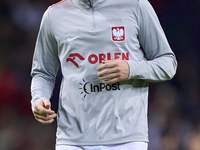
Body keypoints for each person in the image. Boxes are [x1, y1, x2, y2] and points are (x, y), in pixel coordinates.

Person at [30, 0, 177, 149]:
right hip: (72, 139)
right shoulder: (54, 15)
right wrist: (38, 98)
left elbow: (168, 63)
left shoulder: (136, 5)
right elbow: (43, 72)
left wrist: (131, 69)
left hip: (127, 138)